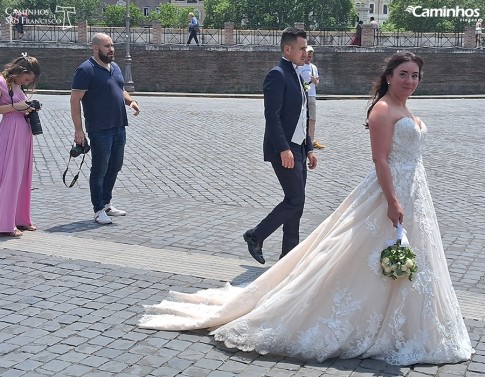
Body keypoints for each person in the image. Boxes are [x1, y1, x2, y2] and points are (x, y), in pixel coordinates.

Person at [139, 51, 474, 366]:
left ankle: (410, 323)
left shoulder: (405, 107)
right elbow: (380, 159)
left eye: (415, 75)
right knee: (360, 254)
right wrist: (393, 200)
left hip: (416, 190)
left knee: (408, 254)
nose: (410, 81)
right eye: (403, 74)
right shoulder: (384, 110)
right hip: (392, 191)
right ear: (388, 76)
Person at [243, 27, 317, 264]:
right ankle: (256, 235)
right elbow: (271, 116)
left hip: (299, 148)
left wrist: (309, 148)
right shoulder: (277, 74)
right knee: (294, 200)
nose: (306, 52)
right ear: (288, 49)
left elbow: (303, 114)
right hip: (283, 148)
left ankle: (289, 257)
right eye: (302, 48)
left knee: (298, 202)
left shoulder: (297, 74)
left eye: (306, 47)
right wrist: (285, 148)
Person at [70, 33, 140, 225]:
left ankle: (107, 203)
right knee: (100, 169)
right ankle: (98, 209)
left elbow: (120, 89)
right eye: (107, 46)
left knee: (115, 166)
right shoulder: (86, 70)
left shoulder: (115, 67)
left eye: (112, 46)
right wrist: (79, 130)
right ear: (95, 48)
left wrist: (131, 101)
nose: (111, 49)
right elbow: (75, 100)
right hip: (99, 129)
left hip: (119, 126)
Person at [0, 54, 41, 237]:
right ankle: (5, 223)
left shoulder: (16, 85)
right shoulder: (1, 82)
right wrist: (18, 107)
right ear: (20, 71)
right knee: (11, 175)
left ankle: (20, 218)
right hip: (10, 130)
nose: (27, 82)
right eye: (27, 78)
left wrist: (28, 107)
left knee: (23, 176)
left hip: (24, 132)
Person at [297, 45, 324, 150]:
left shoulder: (314, 67)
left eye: (311, 56)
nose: (309, 57)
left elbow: (317, 82)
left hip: (311, 95)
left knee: (312, 118)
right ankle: (300, 139)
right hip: (302, 95)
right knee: (301, 117)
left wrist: (315, 81)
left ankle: (311, 141)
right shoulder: (299, 66)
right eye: (308, 55)